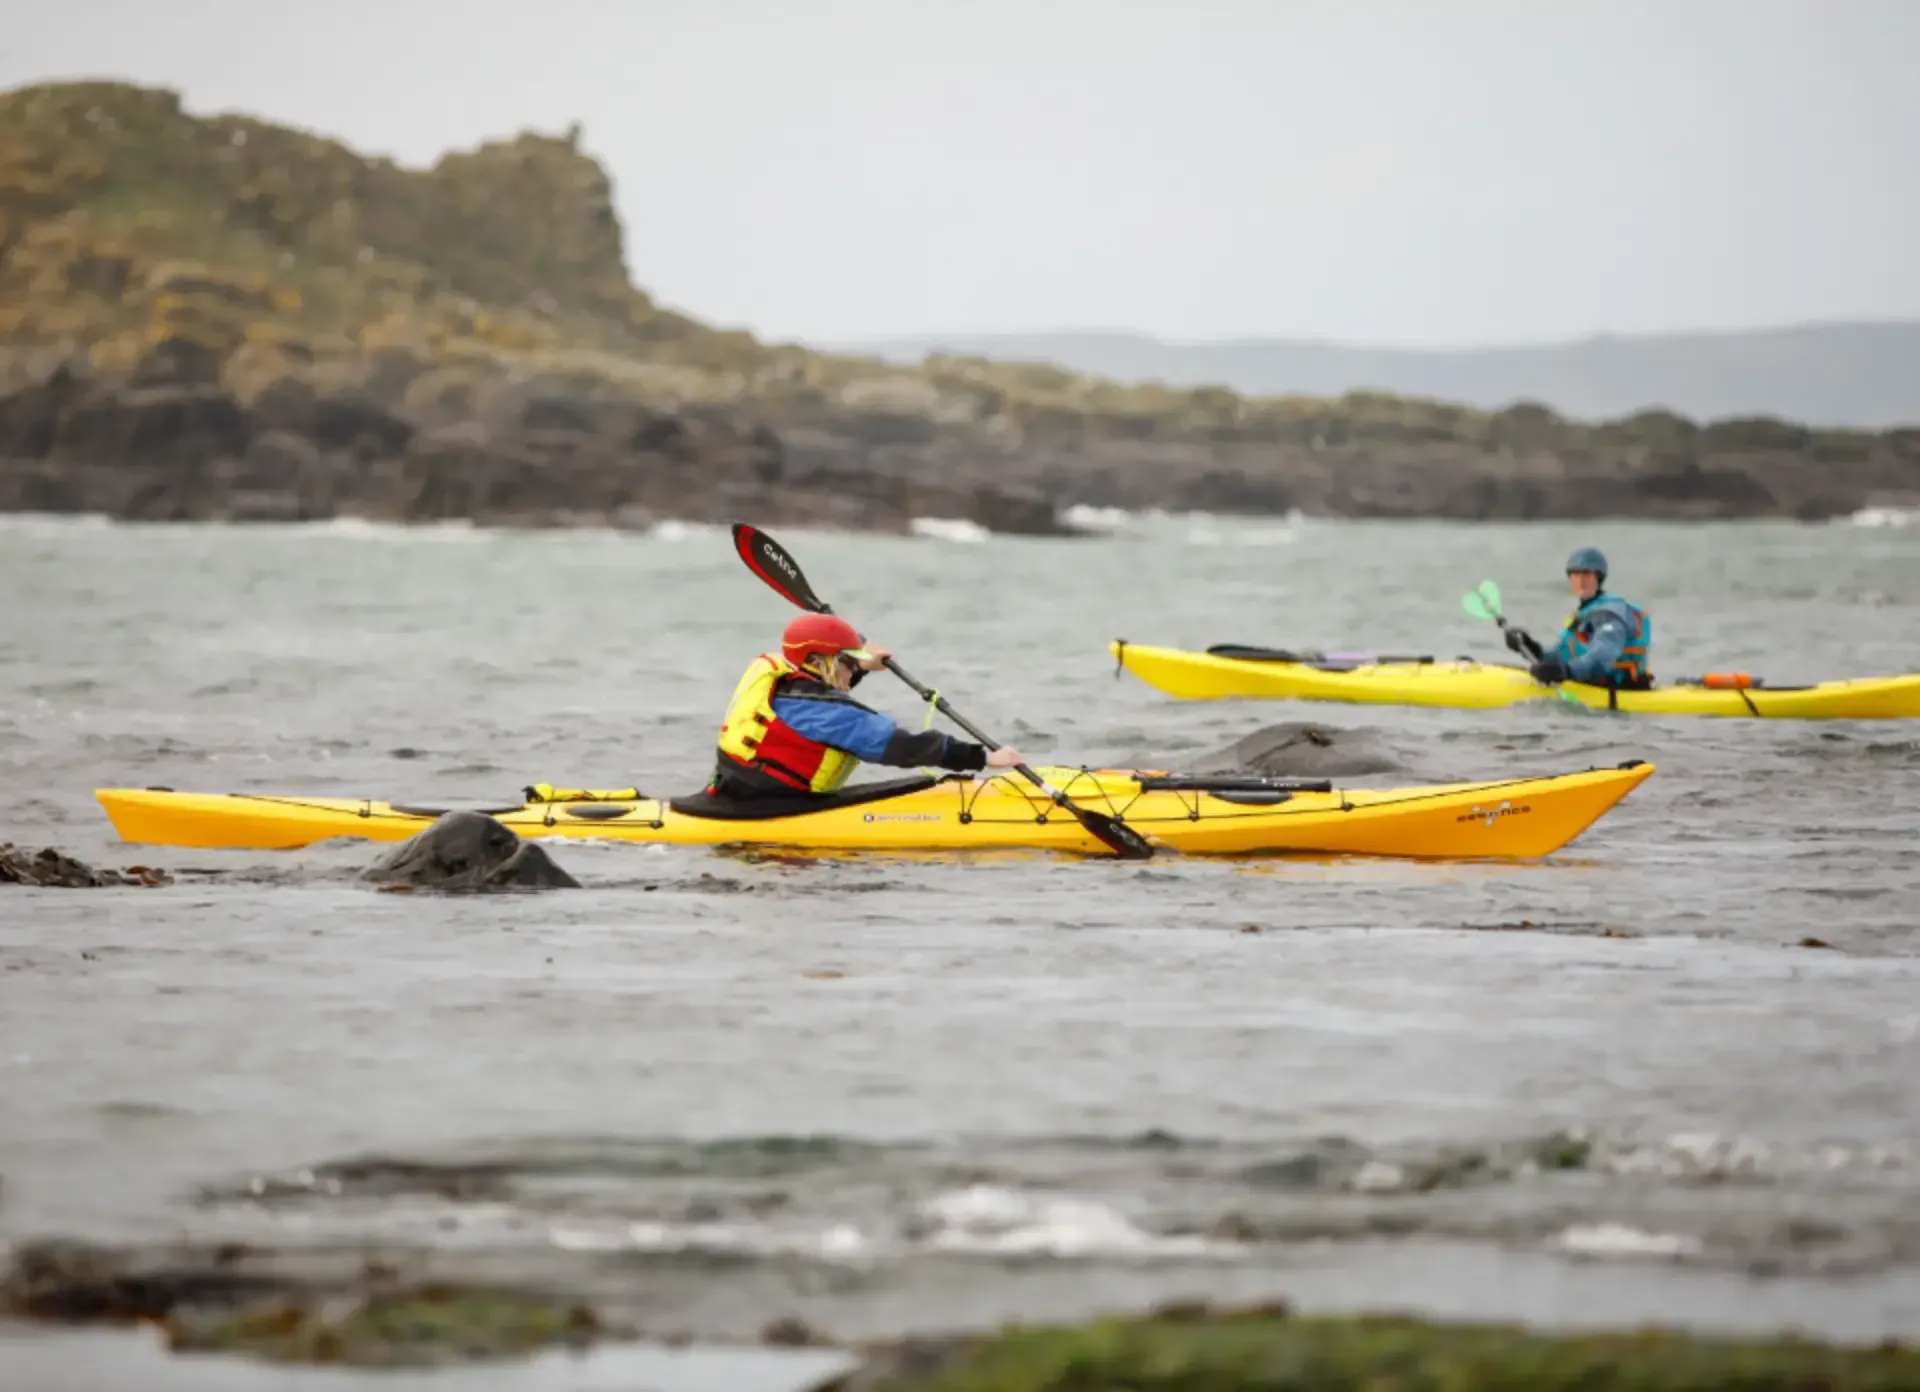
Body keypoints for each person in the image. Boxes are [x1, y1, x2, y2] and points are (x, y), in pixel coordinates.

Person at [709, 614, 1026, 799]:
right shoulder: (825, 713)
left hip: (740, 792)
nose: (853, 669)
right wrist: (982, 757)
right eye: (848, 662)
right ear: (817, 662)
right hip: (773, 807)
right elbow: (899, 746)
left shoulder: (786, 680)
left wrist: (862, 665)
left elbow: (824, 692)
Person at [1503, 546, 1654, 688]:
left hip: (1618, 690)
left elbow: (1603, 655)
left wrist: (1567, 671)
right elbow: (1561, 655)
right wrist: (1531, 648)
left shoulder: (1609, 614)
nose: (1581, 581)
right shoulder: (1585, 613)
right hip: (1589, 683)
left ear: (1599, 579)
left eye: (1587, 575)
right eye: (1576, 575)